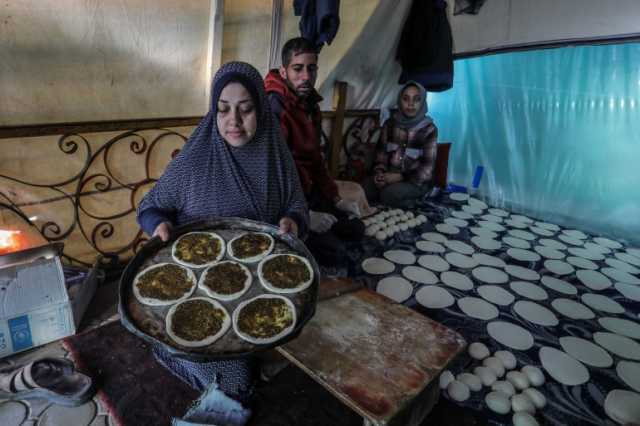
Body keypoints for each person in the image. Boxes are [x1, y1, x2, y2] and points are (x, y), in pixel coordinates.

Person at [136, 61, 309, 422]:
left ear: (260, 110)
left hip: (256, 281)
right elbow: (151, 206)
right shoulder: (195, 160)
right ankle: (169, 349)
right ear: (213, 112)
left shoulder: (275, 155)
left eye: (246, 110)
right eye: (224, 109)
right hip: (197, 291)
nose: (234, 120)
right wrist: (159, 226)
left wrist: (292, 219)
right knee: (238, 382)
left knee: (306, 333)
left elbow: (295, 202)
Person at [264, 37, 364, 268]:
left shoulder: (310, 105)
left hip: (310, 191)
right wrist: (305, 214)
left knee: (356, 229)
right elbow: (272, 173)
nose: (306, 76)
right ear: (284, 71)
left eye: (312, 68)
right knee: (337, 254)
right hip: (286, 204)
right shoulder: (274, 106)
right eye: (298, 69)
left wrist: (336, 198)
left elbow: (316, 159)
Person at [362, 81, 438, 209]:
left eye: (416, 99)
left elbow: (427, 169)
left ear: (423, 102)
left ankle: (419, 201)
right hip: (389, 175)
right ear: (399, 101)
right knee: (364, 189)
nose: (411, 104)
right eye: (405, 99)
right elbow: (380, 156)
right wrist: (379, 174)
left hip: (415, 180)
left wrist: (400, 177)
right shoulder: (389, 124)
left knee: (389, 194)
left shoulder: (429, 129)